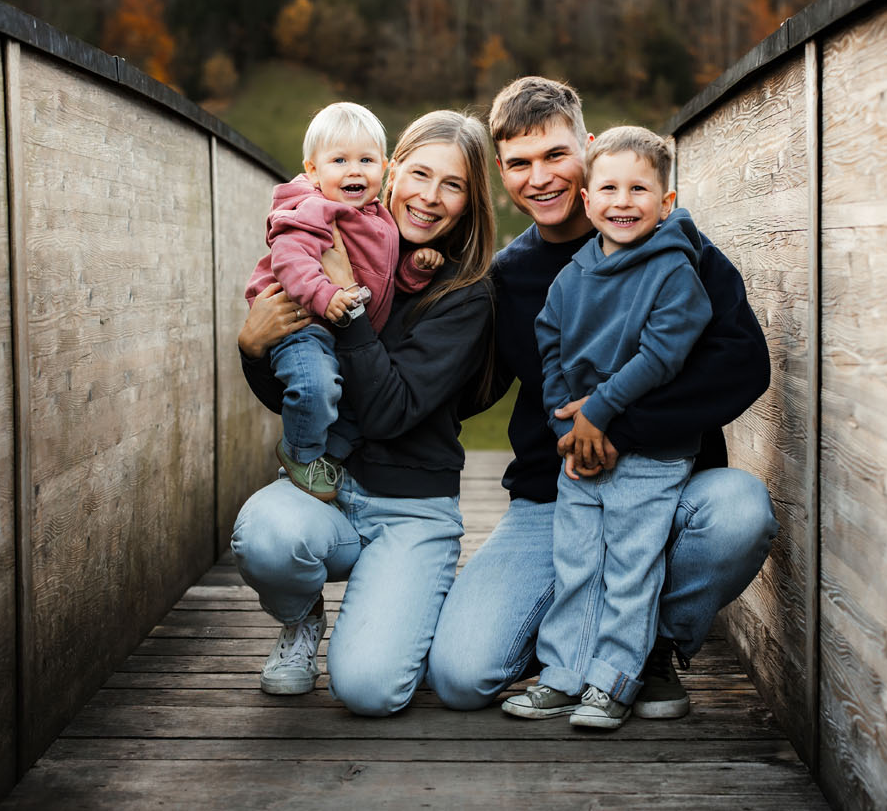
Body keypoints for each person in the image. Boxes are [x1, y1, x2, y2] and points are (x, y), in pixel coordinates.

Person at [428, 76, 778, 720]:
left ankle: (646, 650)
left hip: (663, 482)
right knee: (458, 676)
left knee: (740, 511)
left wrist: (618, 426)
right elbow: (458, 385)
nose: (541, 178)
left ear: (587, 150)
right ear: (502, 173)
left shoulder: (676, 247)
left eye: (556, 155)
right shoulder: (507, 276)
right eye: (520, 164)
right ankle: (578, 643)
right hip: (552, 495)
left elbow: (744, 366)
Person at [232, 110, 496, 716]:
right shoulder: (339, 236)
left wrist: (346, 307)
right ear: (394, 173)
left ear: (469, 200)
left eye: (452, 185)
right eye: (420, 175)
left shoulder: (465, 292)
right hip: (330, 489)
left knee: (368, 690)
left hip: (411, 508)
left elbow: (387, 411)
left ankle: (416, 594)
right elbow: (297, 388)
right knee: (265, 536)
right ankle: (301, 620)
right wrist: (252, 348)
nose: (429, 197)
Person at [500, 127, 711, 729]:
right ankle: (565, 675)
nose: (623, 202)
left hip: (651, 457)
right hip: (578, 454)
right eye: (609, 189)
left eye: (639, 189)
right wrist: (565, 421)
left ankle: (615, 679)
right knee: (578, 562)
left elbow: (662, 354)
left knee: (631, 566)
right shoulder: (573, 275)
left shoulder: (675, 269)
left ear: (665, 203)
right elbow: (550, 346)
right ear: (587, 202)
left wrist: (600, 410)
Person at [243, 102, 444, 501]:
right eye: (339, 160)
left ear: (384, 166)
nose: (355, 170)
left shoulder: (379, 219)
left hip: (340, 332)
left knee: (353, 406)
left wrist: (414, 270)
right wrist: (327, 294)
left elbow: (379, 280)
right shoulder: (311, 208)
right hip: (303, 325)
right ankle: (300, 454)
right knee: (314, 387)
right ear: (313, 170)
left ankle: (327, 460)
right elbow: (290, 258)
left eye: (366, 160)